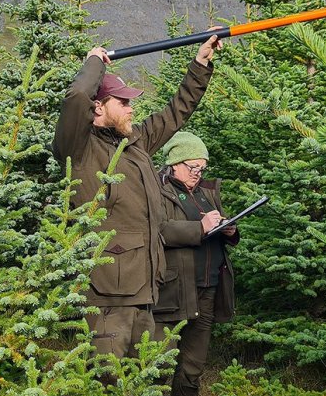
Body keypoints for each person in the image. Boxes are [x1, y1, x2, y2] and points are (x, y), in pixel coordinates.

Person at [52, 35, 221, 364]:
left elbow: (175, 114)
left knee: (143, 386)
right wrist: (94, 64)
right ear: (99, 107)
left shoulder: (135, 143)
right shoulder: (80, 149)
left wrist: (201, 66)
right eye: (124, 103)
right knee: (107, 383)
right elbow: (75, 98)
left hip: (146, 291)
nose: (132, 109)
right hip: (107, 296)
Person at [154, 131, 238, 396]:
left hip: (208, 289)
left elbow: (218, 223)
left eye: (202, 169)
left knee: (193, 364)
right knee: (158, 361)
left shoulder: (206, 192)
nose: (198, 174)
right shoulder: (157, 191)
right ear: (175, 163)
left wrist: (229, 229)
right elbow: (158, 231)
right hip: (174, 290)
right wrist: (199, 228)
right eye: (193, 168)